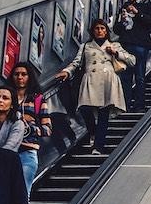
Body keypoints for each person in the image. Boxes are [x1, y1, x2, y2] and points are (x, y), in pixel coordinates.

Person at [55, 20, 135, 154]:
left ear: (106, 31)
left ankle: (98, 146)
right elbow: (76, 63)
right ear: (93, 31)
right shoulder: (86, 46)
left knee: (104, 114)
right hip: (90, 80)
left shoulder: (114, 45)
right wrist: (67, 72)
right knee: (85, 108)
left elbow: (132, 60)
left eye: (102, 28)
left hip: (108, 81)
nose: (99, 31)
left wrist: (116, 53)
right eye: (96, 28)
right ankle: (93, 132)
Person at [7, 62, 52, 197]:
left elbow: (48, 129)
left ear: (29, 77)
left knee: (23, 193)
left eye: (24, 74)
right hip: (6, 150)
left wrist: (31, 129)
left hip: (27, 151)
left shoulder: (37, 99)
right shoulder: (5, 97)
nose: (20, 77)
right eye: (16, 74)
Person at [113, 0, 151, 112]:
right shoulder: (123, 8)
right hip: (125, 46)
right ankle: (126, 105)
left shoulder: (145, 5)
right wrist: (121, 20)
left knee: (140, 77)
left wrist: (137, 13)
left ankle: (139, 105)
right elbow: (116, 29)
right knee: (125, 78)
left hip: (140, 45)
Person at [0, 85, 26, 153]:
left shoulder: (17, 124)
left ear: (12, 104)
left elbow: (9, 148)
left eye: (5, 98)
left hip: (5, 160)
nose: (0, 100)